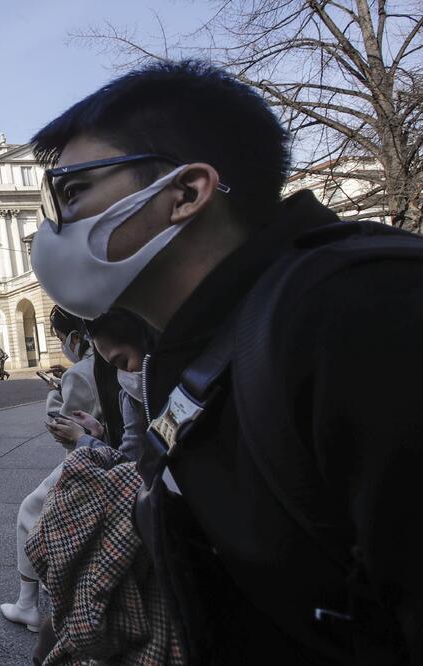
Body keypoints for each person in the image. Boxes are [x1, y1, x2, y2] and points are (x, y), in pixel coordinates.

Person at [30, 60, 421, 663]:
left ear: (185, 193)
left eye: (74, 192)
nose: (52, 228)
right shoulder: (192, 348)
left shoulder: (365, 312)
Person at [1, 306, 102, 632]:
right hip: (107, 452)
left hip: (92, 457)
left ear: (75, 337)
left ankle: (28, 604)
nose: (62, 344)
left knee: (31, 510)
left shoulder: (81, 372)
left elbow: (64, 429)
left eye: (61, 338)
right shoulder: (99, 363)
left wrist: (56, 393)